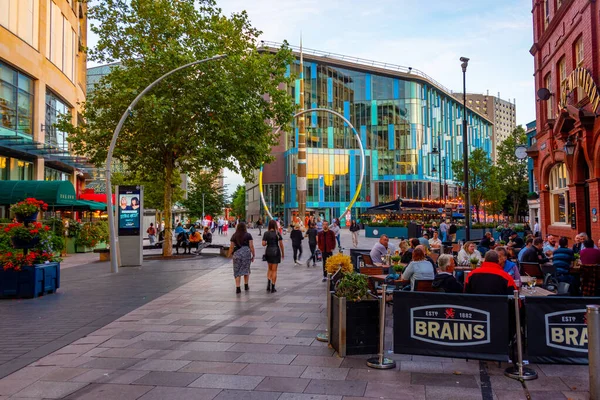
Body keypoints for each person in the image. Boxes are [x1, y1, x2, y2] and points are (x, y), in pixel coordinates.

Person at [227, 222, 255, 294]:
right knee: (246, 269)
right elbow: (251, 246)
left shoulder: (234, 235)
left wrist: (229, 255)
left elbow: (231, 247)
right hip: (246, 253)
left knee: (237, 270)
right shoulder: (248, 235)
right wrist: (253, 255)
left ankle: (238, 288)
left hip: (237, 254)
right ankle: (246, 285)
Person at [263, 220, 284, 293]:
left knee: (269, 268)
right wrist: (283, 253)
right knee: (274, 270)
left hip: (268, 251)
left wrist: (266, 243)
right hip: (276, 251)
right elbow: (281, 244)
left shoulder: (266, 233)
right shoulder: (277, 233)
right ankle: (273, 286)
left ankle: (268, 285)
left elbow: (263, 243)